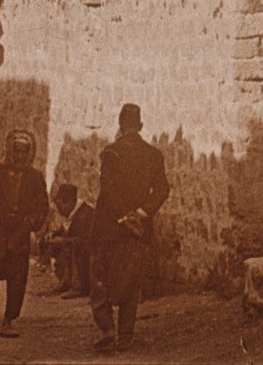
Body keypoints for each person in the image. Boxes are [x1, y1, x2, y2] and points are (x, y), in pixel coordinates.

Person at [89, 103, 170, 354]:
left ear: (120, 125)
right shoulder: (154, 155)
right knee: (131, 282)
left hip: (109, 228)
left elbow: (107, 189)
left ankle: (106, 329)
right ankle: (125, 336)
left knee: (99, 276)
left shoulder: (110, 153)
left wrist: (123, 215)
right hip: (139, 229)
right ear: (141, 126)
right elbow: (162, 190)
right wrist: (140, 214)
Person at [0, 130, 50, 338]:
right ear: (10, 151)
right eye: (16, 151)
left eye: (24, 152)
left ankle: (9, 318)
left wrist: (29, 224)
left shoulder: (36, 178)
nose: (19, 156)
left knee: (17, 279)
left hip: (20, 236)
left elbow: (42, 207)